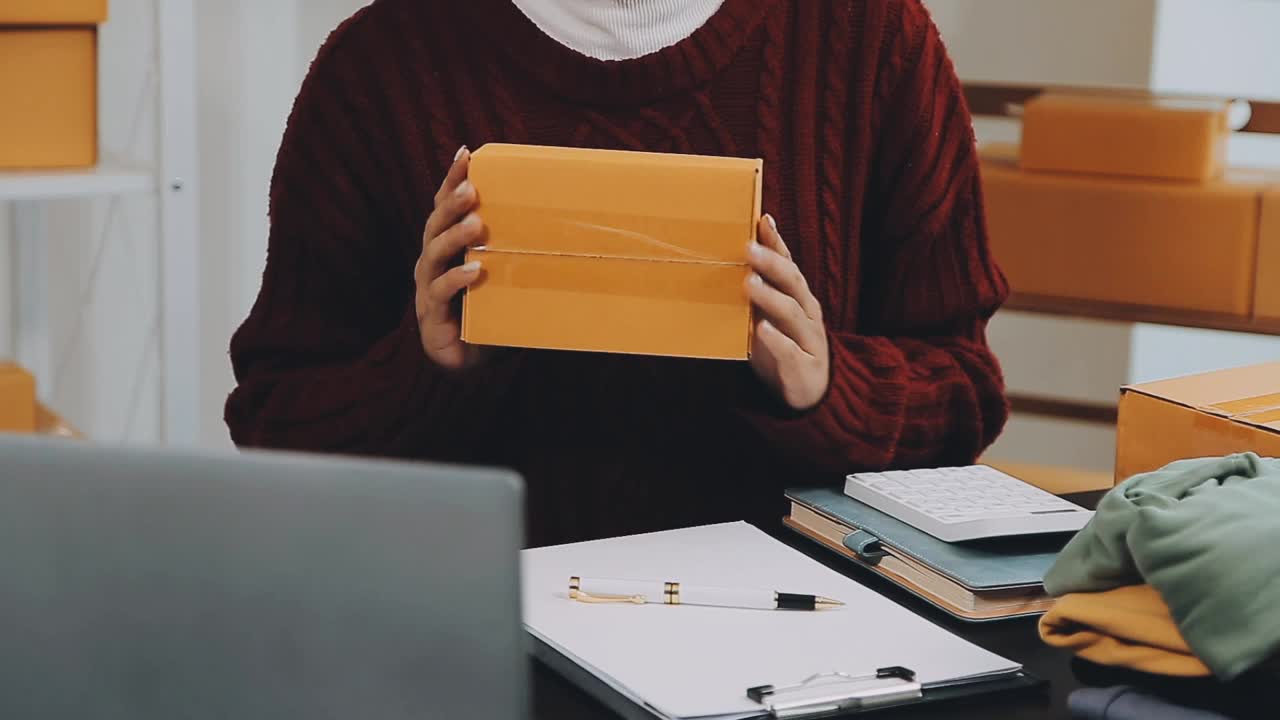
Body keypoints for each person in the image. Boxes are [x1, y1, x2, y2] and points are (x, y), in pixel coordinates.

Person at [226, 0, 1010, 546]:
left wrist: (827, 386)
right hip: (479, 625)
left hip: (790, 625)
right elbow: (274, 419)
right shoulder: (380, 64)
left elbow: (964, 394)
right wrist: (421, 370)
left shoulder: (870, 39)